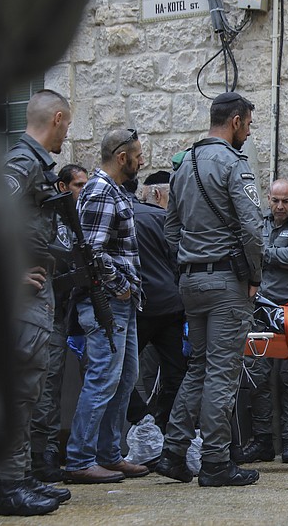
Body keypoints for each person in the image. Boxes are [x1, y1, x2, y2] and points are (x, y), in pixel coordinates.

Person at [156, 92, 264, 487]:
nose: (248, 133)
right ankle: (216, 461)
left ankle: (172, 452)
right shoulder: (234, 164)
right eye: (249, 126)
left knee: (198, 367)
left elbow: (171, 227)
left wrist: (189, 259)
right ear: (235, 122)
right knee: (222, 371)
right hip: (225, 285)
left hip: (190, 281)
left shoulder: (184, 164)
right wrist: (254, 275)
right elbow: (252, 228)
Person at [0, 89, 73, 516]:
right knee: (21, 390)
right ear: (57, 119)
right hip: (20, 295)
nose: (66, 133)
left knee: (29, 390)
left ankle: (21, 479)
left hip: (36, 291)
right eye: (68, 125)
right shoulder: (23, 163)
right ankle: (10, 489)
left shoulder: (34, 164)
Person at [64, 128, 148, 484]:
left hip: (119, 303)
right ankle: (80, 459)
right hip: (108, 303)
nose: (141, 161)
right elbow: (91, 253)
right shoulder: (100, 191)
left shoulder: (111, 190)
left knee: (125, 378)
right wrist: (122, 287)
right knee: (102, 378)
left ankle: (109, 455)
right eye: (137, 155)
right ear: (121, 156)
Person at [240, 178, 288, 464]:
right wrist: (276, 258)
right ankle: (262, 442)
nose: (280, 206)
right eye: (275, 200)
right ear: (268, 199)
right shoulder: (259, 224)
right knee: (257, 376)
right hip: (261, 310)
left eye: (286, 201)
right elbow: (247, 251)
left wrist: (263, 256)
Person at [30, 164, 88, 483]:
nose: (84, 190)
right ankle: (45, 451)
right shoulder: (48, 214)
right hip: (48, 307)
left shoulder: (78, 215)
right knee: (48, 380)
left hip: (73, 309)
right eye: (78, 185)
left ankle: (68, 449)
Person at [125, 170, 188, 434]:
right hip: (171, 307)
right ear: (161, 195)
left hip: (139, 307)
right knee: (179, 373)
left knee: (121, 373)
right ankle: (165, 426)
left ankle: (143, 420)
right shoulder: (167, 222)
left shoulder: (128, 216)